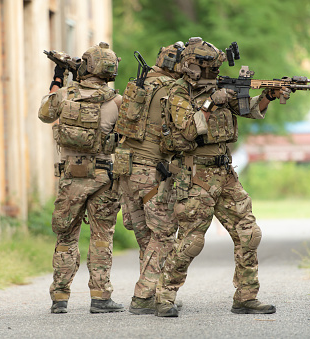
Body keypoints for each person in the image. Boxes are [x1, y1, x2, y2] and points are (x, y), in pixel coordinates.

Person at [153, 37, 292, 317]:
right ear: (194, 67)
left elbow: (248, 110)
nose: (215, 73)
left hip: (225, 173)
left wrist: (269, 95)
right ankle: (164, 296)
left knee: (249, 233)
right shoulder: (177, 93)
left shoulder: (218, 88)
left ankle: (246, 296)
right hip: (194, 175)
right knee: (191, 241)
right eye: (210, 69)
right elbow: (188, 131)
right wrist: (210, 104)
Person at [38, 42, 124, 314]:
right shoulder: (117, 100)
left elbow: (44, 113)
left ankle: (60, 298)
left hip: (70, 177)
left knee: (66, 236)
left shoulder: (65, 95)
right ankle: (100, 298)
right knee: (101, 237)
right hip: (103, 176)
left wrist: (58, 80)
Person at [113, 42, 184, 314]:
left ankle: (156, 293)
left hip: (125, 169)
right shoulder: (173, 91)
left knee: (147, 237)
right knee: (164, 235)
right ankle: (143, 296)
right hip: (151, 172)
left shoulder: (138, 84)